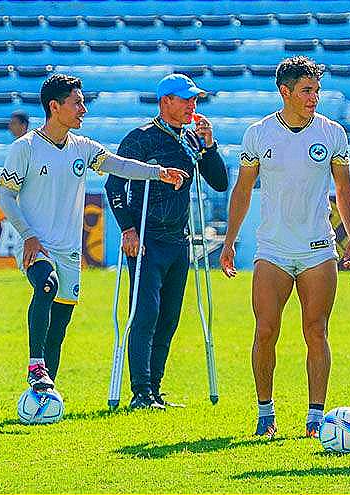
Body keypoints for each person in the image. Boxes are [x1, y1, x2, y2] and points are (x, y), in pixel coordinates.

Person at [0, 74, 188, 393]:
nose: (83, 109)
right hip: (37, 246)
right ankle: (35, 364)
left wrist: (158, 173)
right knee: (46, 284)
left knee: (58, 328)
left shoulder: (82, 147)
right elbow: (5, 196)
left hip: (69, 250)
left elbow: (120, 165)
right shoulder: (25, 148)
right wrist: (28, 234)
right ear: (55, 107)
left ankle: (44, 394)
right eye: (77, 103)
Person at [219, 56, 350, 438]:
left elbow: (344, 189)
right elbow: (243, 190)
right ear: (285, 91)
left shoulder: (333, 133)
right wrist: (229, 241)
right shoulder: (258, 134)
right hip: (273, 249)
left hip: (318, 249)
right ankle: (265, 414)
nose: (314, 97)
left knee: (316, 331)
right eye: (307, 90)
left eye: (317, 90)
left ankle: (316, 417)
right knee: (265, 331)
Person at [104, 73, 228, 410]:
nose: (192, 105)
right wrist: (128, 230)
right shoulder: (141, 138)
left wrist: (209, 146)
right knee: (145, 314)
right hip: (147, 241)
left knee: (169, 318)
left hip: (178, 241)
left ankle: (155, 389)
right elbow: (114, 186)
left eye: (195, 99)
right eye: (186, 99)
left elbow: (219, 182)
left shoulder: (191, 140)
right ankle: (140, 391)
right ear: (165, 102)